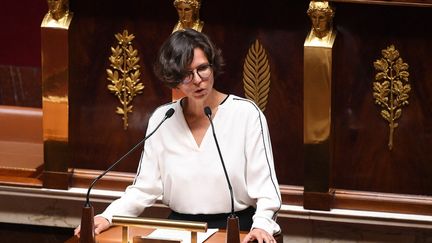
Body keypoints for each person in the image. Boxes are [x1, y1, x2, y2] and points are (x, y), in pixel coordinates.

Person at [74, 29, 281, 242]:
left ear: (213, 66)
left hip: (236, 228)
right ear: (173, 78)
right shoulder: (163, 118)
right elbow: (144, 188)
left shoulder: (246, 114)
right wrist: (107, 215)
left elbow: (266, 188)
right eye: (186, 74)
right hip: (178, 228)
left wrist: (262, 225)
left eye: (202, 69)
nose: (197, 80)